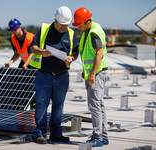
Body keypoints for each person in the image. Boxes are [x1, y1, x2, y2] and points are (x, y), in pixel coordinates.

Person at [29, 6, 79, 144]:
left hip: (62, 76)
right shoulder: (45, 29)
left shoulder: (70, 33)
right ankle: (39, 133)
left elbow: (75, 51)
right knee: (41, 105)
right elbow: (32, 46)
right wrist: (41, 52)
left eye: (65, 25)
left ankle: (56, 133)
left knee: (59, 105)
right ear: (55, 20)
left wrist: (72, 58)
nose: (63, 28)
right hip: (44, 75)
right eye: (61, 25)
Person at [72, 7, 109, 147]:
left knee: (94, 106)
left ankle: (97, 137)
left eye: (79, 24)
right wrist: (85, 70)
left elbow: (99, 54)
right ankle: (103, 136)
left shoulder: (93, 33)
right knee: (99, 105)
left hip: (97, 73)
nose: (78, 28)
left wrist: (92, 73)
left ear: (87, 22)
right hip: (97, 72)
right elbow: (89, 54)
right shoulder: (92, 29)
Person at [4, 18, 36, 109]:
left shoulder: (30, 38)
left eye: (15, 29)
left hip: (35, 62)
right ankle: (21, 103)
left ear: (20, 27)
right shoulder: (13, 39)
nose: (13, 32)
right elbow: (17, 54)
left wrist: (25, 65)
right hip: (24, 61)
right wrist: (10, 62)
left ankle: (34, 104)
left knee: (33, 84)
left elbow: (31, 54)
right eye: (12, 30)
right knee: (19, 81)